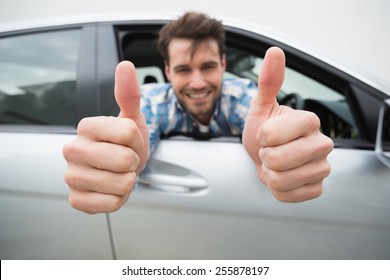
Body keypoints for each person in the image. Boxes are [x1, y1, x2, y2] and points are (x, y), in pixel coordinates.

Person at [62, 12, 334, 214]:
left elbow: (264, 120)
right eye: (183, 70)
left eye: (207, 67)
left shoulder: (240, 96)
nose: (198, 83)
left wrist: (278, 145)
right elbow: (139, 140)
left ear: (223, 64)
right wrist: (127, 159)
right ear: (168, 72)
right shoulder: (155, 103)